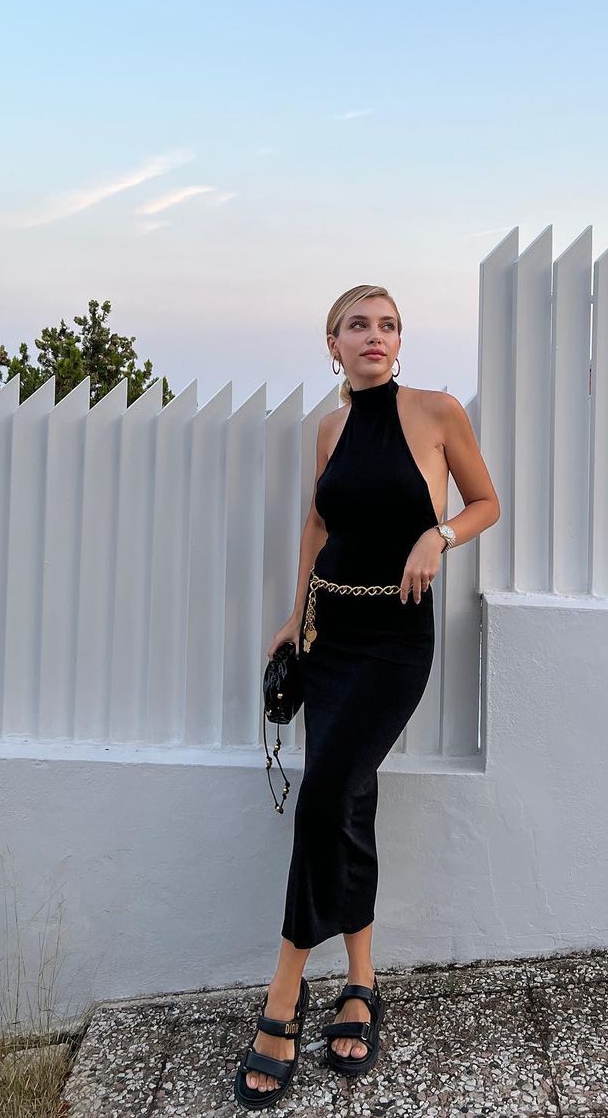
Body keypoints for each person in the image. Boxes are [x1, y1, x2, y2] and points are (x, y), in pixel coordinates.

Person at [234, 285, 500, 1108]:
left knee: (323, 798)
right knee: (348, 804)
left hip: (394, 642)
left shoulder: (438, 411)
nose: (374, 336)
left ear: (399, 341)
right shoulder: (329, 428)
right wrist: (295, 614)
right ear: (334, 344)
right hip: (330, 635)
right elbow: (319, 527)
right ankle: (360, 981)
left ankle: (283, 992)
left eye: (387, 325)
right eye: (358, 325)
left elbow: (487, 502)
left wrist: (437, 534)